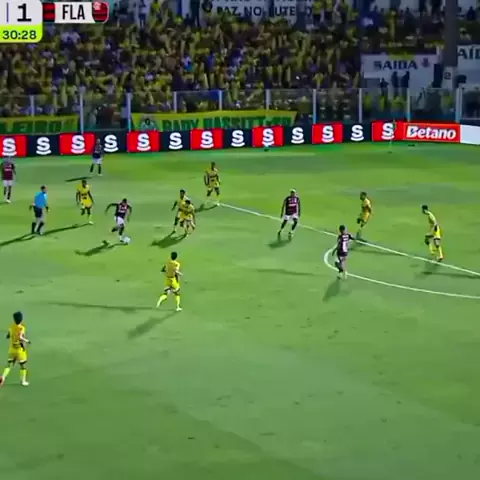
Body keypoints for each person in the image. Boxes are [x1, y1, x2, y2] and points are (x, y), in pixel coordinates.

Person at [0, 311, 31, 387]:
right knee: (23, 366)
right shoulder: (21, 328)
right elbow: (20, 337)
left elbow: (8, 336)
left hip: (12, 349)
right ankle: (23, 381)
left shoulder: (11, 326)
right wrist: (27, 341)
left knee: (9, 365)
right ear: (21, 319)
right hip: (20, 350)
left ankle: (3, 377)